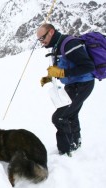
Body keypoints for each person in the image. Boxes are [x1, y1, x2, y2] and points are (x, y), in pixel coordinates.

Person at [37, 23, 95, 156]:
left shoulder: (69, 44)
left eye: (42, 38)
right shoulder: (58, 45)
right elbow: (62, 67)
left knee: (59, 117)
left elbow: (88, 66)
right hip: (73, 84)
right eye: (39, 39)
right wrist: (49, 77)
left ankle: (65, 151)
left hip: (83, 84)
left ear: (51, 32)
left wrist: (62, 73)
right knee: (70, 115)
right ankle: (75, 144)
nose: (41, 42)